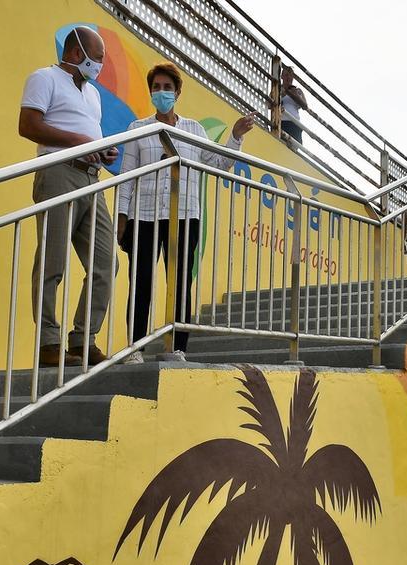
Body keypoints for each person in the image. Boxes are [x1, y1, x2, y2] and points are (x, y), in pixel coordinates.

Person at [116, 62, 255, 363]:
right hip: (145, 215)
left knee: (180, 283)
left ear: (177, 92)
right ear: (151, 91)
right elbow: (126, 177)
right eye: (157, 87)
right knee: (140, 281)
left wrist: (235, 136)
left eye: (167, 88)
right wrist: (122, 217)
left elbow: (216, 163)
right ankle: (135, 347)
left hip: (184, 215)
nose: (162, 92)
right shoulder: (137, 130)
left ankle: (177, 348)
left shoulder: (194, 130)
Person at [19, 26, 118, 367]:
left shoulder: (93, 94)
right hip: (59, 173)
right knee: (53, 261)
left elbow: (91, 135)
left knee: (107, 262)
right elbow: (28, 126)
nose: (99, 66)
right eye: (97, 58)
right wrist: (75, 142)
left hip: (92, 179)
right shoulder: (44, 78)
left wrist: (103, 150)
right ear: (77, 54)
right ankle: (49, 342)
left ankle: (82, 339)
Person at [279, 65, 307, 144]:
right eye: (286, 75)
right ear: (282, 76)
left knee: (294, 149)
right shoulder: (277, 89)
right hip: (282, 122)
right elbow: (269, 104)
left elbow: (305, 106)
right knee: (281, 146)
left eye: (291, 75)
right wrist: (282, 94)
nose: (289, 77)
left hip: (295, 123)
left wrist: (293, 94)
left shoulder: (298, 91)